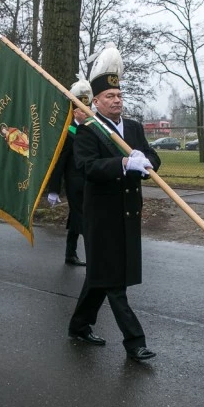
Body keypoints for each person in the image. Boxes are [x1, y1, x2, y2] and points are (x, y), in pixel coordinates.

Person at [67, 44, 160, 362]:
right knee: (113, 281)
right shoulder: (88, 130)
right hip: (102, 216)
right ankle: (135, 341)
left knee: (100, 276)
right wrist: (121, 164)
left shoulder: (132, 128)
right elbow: (87, 168)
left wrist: (144, 160)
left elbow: (153, 158)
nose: (117, 100)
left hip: (129, 213)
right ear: (96, 101)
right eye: (110, 96)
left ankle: (79, 324)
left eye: (119, 95)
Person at [46, 78, 91, 267]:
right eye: (81, 108)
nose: (84, 112)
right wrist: (54, 189)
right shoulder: (68, 131)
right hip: (74, 183)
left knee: (76, 217)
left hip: (90, 180)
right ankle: (94, 255)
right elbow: (59, 162)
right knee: (84, 218)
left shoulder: (92, 126)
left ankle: (69, 254)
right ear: (74, 110)